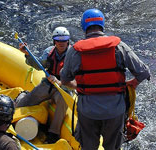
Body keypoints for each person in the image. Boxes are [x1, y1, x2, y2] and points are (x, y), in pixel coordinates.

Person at [60, 9, 151, 150]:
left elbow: (64, 80)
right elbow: (144, 72)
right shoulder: (119, 47)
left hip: (87, 112)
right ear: (102, 24)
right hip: (115, 112)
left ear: (84, 26)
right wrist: (134, 83)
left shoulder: (75, 51)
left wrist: (78, 87)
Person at [15, 26, 71, 143]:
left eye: (64, 40)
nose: (61, 43)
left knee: (63, 101)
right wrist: (27, 54)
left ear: (68, 41)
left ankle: (53, 133)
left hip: (64, 88)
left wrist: (61, 82)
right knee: (28, 99)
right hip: (48, 85)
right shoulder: (49, 52)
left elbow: (76, 76)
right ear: (54, 41)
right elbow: (38, 65)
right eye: (58, 40)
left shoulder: (73, 55)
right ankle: (14, 112)